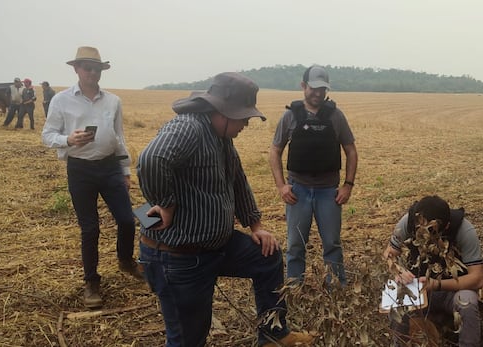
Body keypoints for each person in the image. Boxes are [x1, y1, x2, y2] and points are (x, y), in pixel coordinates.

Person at [137, 72, 314, 347]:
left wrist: (255, 226)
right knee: (188, 338)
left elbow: (238, 180)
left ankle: (273, 335)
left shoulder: (221, 138)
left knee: (267, 257)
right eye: (243, 117)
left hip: (214, 247)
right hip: (179, 258)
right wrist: (166, 203)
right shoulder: (188, 128)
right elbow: (152, 159)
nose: (245, 123)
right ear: (223, 111)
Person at [41, 46, 141, 309]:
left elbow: (119, 137)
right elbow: (47, 135)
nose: (93, 72)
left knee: (128, 220)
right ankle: (91, 282)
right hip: (80, 169)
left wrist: (125, 171)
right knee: (90, 228)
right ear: (76, 69)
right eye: (88, 68)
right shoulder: (61, 100)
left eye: (97, 68)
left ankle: (126, 260)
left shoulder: (113, 101)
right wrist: (68, 139)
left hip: (109, 168)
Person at [269, 65, 358, 286]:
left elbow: (351, 150)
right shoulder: (290, 115)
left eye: (322, 89)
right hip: (297, 191)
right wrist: (282, 186)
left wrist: (348, 185)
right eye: (313, 88)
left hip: (329, 192)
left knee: (332, 243)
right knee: (295, 244)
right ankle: (294, 287)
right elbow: (275, 150)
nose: (318, 93)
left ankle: (335, 288)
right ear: (303, 86)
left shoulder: (336, 116)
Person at [383, 195, 483, 347]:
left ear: (446, 226)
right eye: (420, 230)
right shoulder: (407, 222)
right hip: (418, 289)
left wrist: (437, 284)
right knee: (396, 303)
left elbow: (477, 278)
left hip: (454, 290)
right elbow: (389, 254)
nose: (424, 237)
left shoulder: (464, 230)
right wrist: (397, 270)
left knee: (467, 303)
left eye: (431, 231)